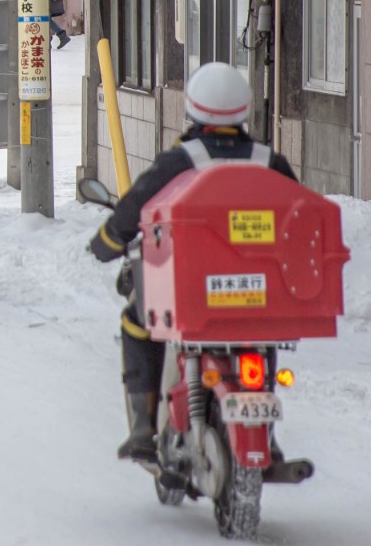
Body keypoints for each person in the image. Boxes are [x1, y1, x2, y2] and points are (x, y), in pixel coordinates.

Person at [88, 63, 303, 473]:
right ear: (244, 110)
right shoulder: (269, 162)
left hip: (193, 292)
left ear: (192, 109)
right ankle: (267, 438)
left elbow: (134, 208)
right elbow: (299, 217)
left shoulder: (181, 161)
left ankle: (142, 430)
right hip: (254, 291)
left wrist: (107, 243)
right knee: (261, 334)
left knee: (137, 320)